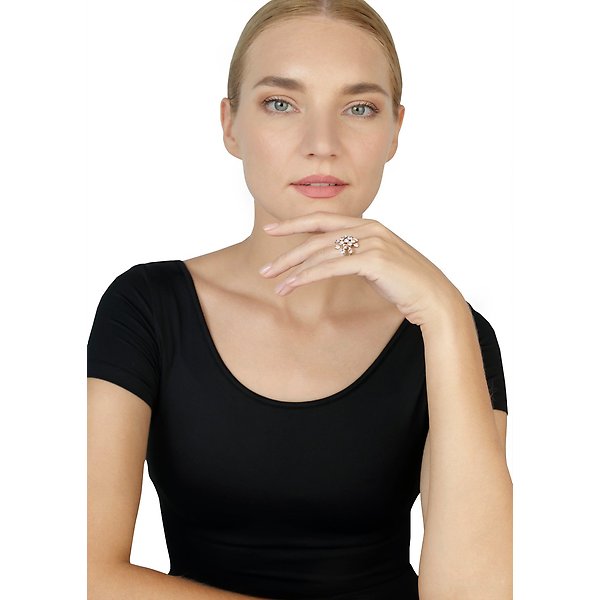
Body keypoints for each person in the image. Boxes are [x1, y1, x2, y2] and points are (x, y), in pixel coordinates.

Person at [87, 1, 512, 598]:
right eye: (281, 103)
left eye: (359, 108)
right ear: (230, 125)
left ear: (395, 131)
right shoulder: (146, 310)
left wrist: (443, 312)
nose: (322, 144)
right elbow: (86, 574)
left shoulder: (452, 330)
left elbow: (474, 593)